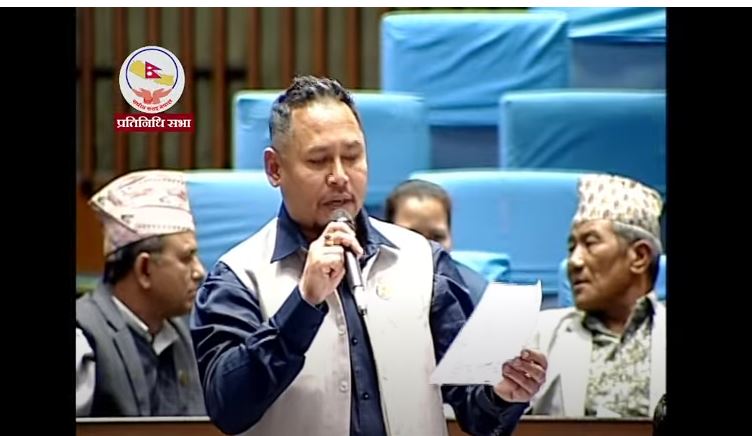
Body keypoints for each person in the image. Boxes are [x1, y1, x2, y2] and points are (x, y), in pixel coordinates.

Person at [189, 75, 548, 436]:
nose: (340, 176)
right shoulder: (238, 276)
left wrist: (503, 393)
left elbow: (476, 410)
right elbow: (228, 408)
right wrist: (303, 303)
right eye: (318, 160)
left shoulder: (424, 261)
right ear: (275, 168)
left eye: (352, 156)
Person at [528, 174, 666, 417]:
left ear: (639, 256)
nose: (574, 262)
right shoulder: (536, 336)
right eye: (572, 248)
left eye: (590, 244)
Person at [76, 170, 207, 417]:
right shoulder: (84, 338)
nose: (199, 272)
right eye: (186, 258)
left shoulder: (184, 336)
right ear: (144, 269)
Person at [384, 179, 488, 309]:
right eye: (413, 236)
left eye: (437, 237)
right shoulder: (366, 292)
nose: (428, 249)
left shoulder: (478, 297)